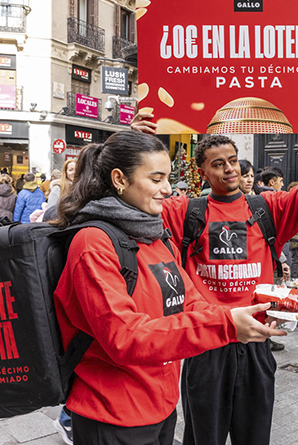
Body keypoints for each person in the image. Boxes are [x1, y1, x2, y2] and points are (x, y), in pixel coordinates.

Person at [131, 106, 298, 445]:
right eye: (218, 163)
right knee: (203, 437)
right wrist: (137, 143)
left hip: (257, 341)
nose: (229, 169)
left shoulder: (268, 209)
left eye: (232, 160)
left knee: (255, 435)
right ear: (202, 171)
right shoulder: (185, 212)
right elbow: (136, 199)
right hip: (204, 343)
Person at [50, 131, 283, 445]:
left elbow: (190, 301)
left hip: (160, 407)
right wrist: (225, 325)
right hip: (112, 414)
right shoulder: (93, 243)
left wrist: (245, 316)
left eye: (168, 178)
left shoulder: (156, 236)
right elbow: (125, 336)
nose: (168, 189)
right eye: (156, 179)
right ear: (119, 179)